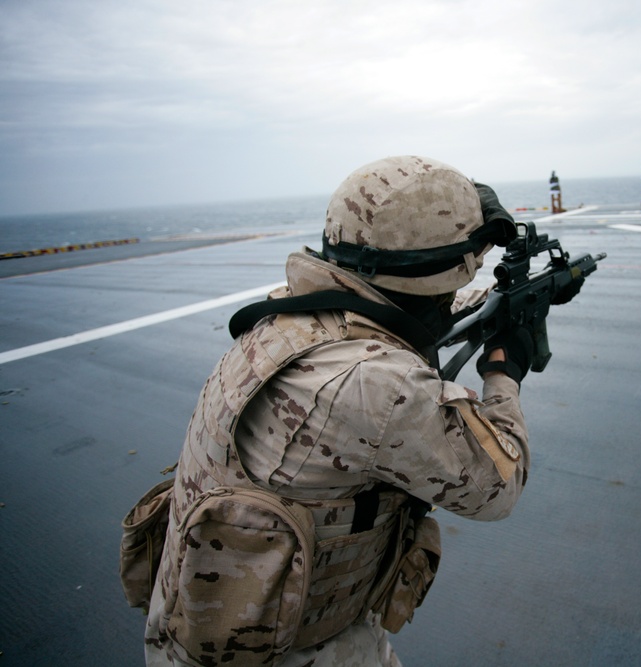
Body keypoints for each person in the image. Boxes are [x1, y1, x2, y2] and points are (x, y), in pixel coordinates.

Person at [143, 155, 536, 666]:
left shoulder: (287, 315)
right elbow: (499, 487)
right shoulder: (380, 385)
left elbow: (401, 316)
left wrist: (494, 303)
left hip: (192, 629)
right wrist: (504, 371)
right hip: (295, 653)